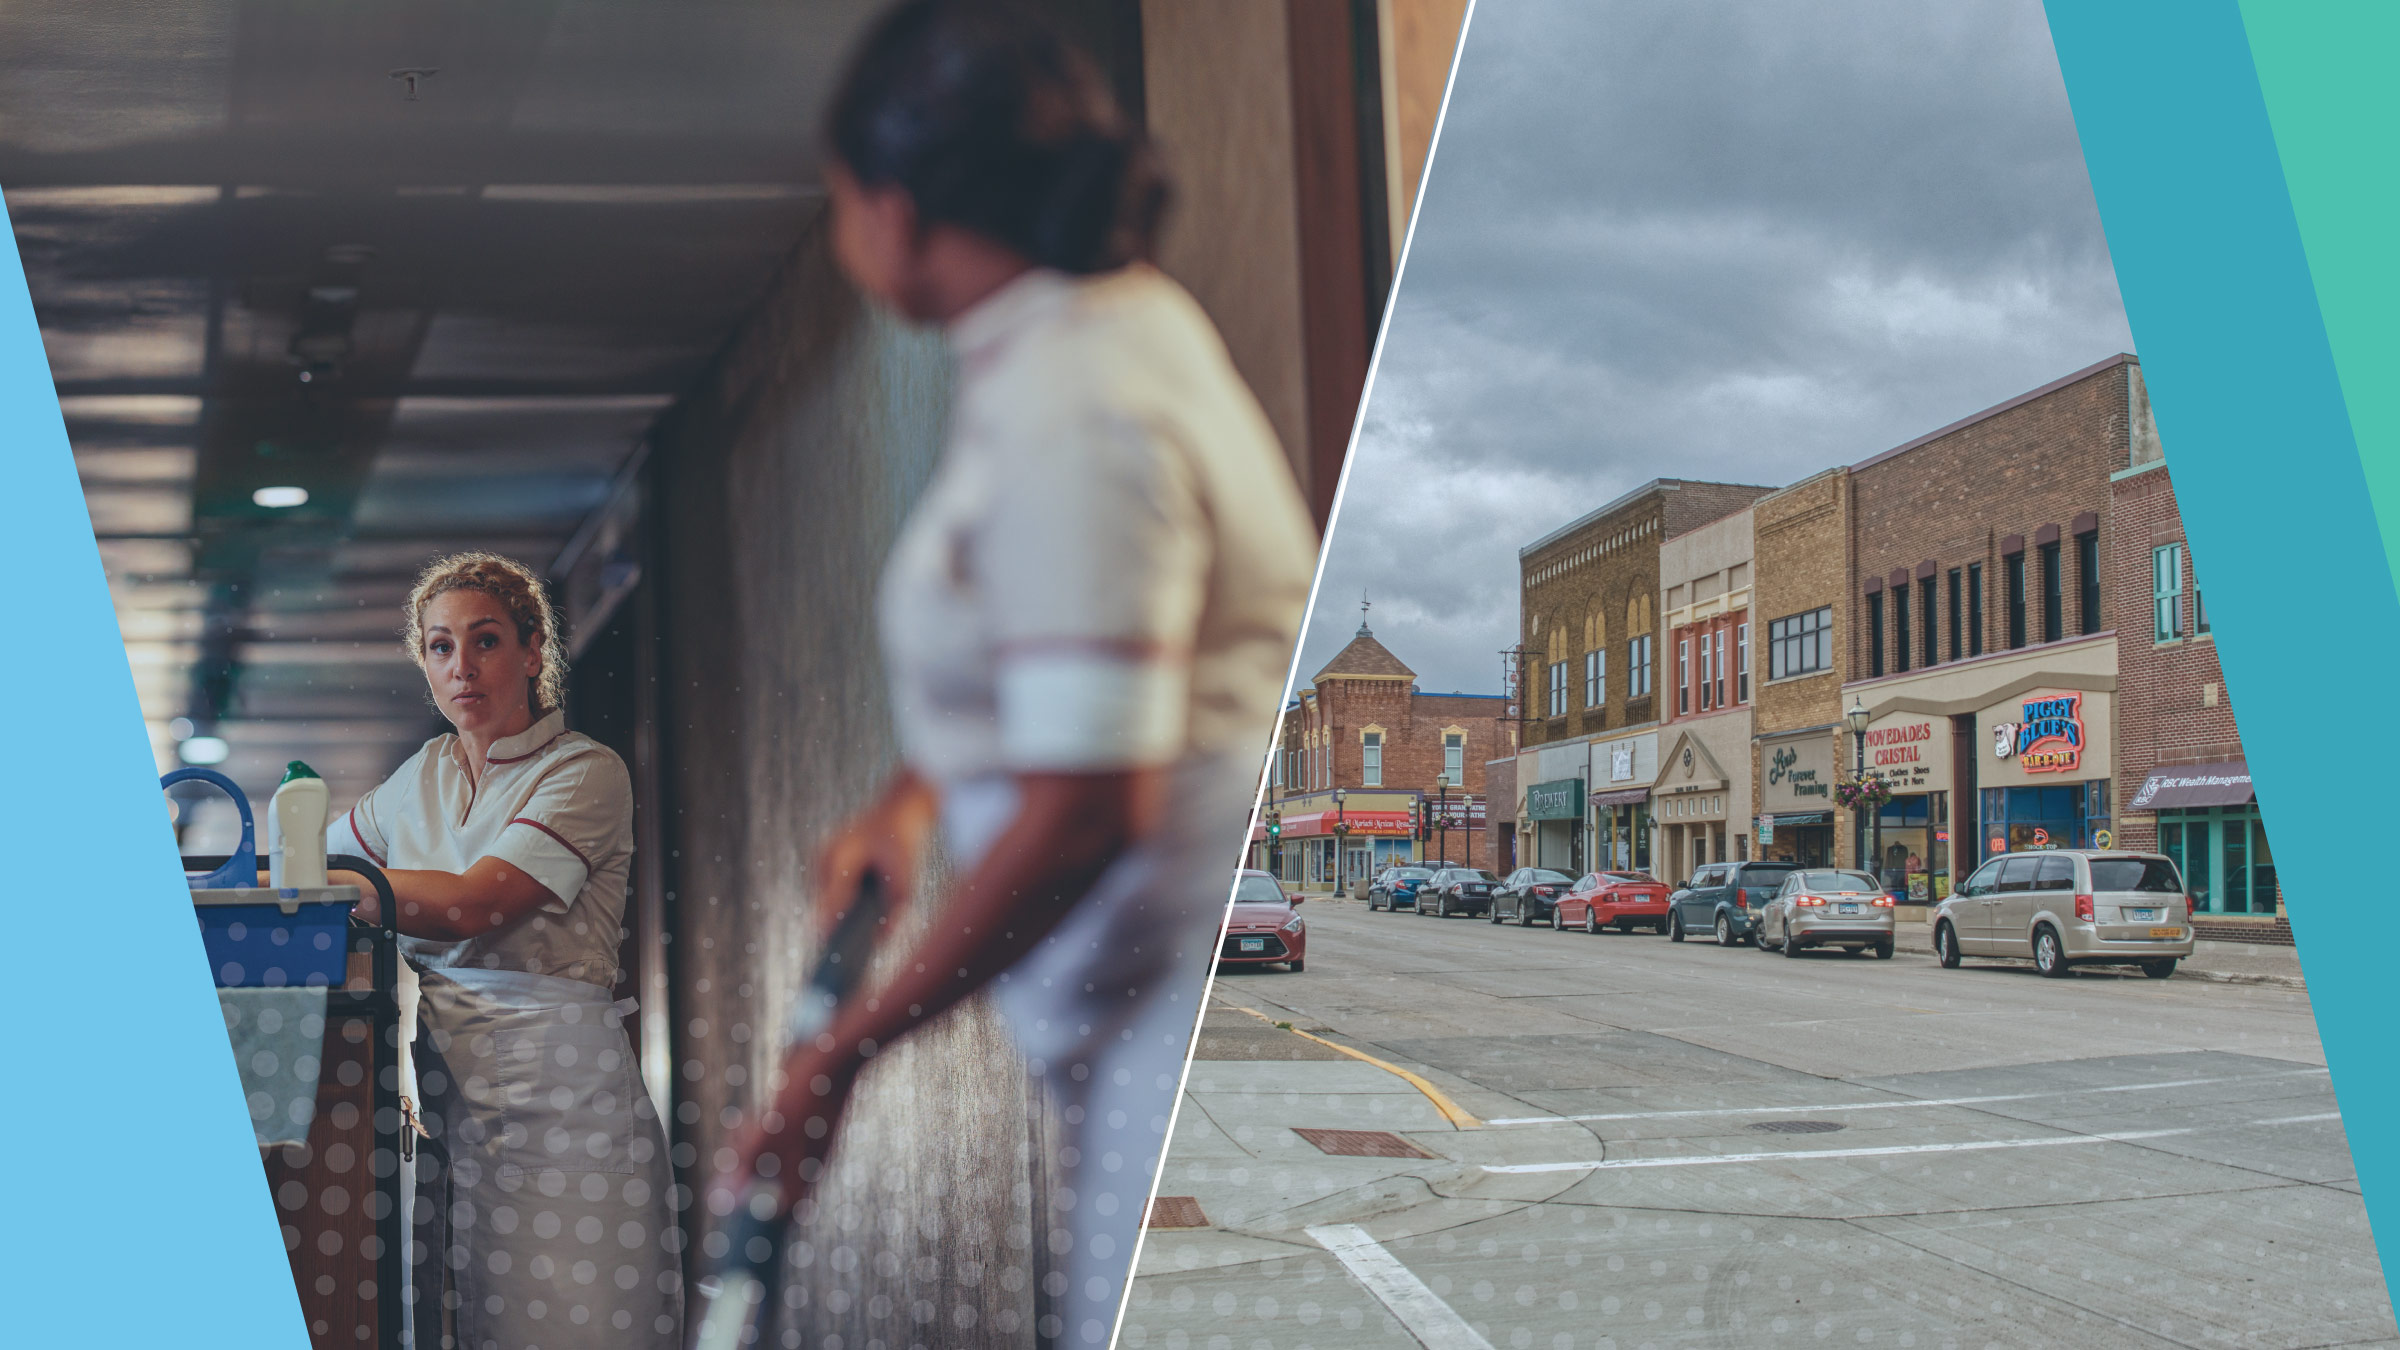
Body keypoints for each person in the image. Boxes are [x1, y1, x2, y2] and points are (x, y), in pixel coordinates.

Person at [724, 1, 1315, 1344]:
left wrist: (843, 1055)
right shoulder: (1071, 348)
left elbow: (1091, 801)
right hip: (1115, 1030)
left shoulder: (1079, 402)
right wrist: (910, 800)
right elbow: (1049, 654)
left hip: (1162, 1031)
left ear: (894, 206)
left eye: (837, 196)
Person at [332, 552, 679, 1348]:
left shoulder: (584, 771)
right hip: (458, 1103)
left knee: (582, 1326)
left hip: (568, 1107)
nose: (462, 666)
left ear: (532, 652)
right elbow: (312, 867)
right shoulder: (418, 777)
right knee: (484, 1325)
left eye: (485, 640)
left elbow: (474, 905)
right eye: (441, 646)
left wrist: (351, 884)